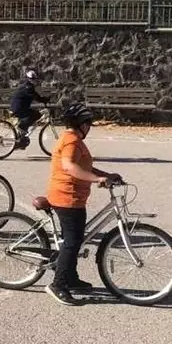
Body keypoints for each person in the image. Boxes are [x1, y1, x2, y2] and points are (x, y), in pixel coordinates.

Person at [45, 101, 123, 306]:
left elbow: (85, 166)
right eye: (88, 123)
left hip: (74, 198)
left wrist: (106, 175)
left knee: (75, 239)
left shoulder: (73, 139)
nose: (89, 127)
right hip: (66, 197)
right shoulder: (71, 141)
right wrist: (97, 180)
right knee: (72, 241)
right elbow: (70, 167)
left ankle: (70, 277)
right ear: (82, 124)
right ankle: (58, 284)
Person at [9, 69, 49, 148]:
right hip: (19, 108)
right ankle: (21, 129)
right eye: (32, 79)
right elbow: (34, 96)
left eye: (34, 79)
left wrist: (44, 99)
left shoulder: (27, 86)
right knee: (36, 115)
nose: (34, 81)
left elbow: (35, 95)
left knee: (31, 116)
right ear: (28, 79)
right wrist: (43, 100)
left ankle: (21, 140)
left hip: (19, 107)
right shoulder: (28, 87)